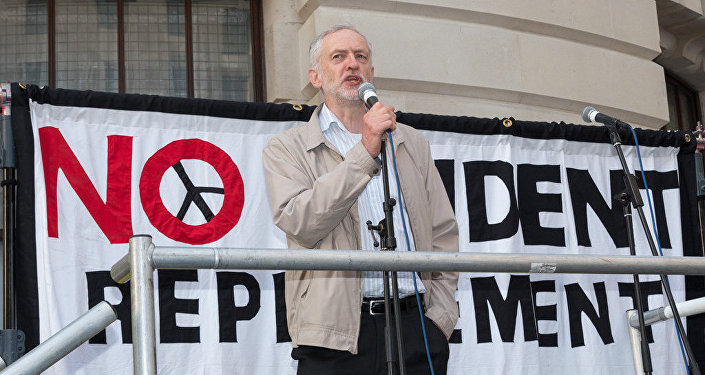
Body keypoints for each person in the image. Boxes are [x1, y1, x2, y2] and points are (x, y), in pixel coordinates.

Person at [262, 24, 459, 375]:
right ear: (316, 77)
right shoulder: (287, 148)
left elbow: (442, 233)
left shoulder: (411, 143)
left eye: (360, 56)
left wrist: (439, 318)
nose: (351, 64)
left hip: (416, 330)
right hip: (333, 341)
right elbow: (300, 224)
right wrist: (365, 150)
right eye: (338, 57)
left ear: (371, 72)